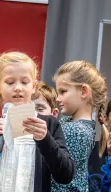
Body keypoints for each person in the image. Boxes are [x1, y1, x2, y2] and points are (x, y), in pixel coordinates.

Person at [0, 51, 74, 192]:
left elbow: (65, 175)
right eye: (10, 82)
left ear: (33, 86)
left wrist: (45, 140)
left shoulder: (49, 124)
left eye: (25, 82)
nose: (18, 88)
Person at [52, 60, 109, 191]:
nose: (57, 98)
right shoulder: (72, 124)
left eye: (63, 91)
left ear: (84, 91)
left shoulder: (76, 131)